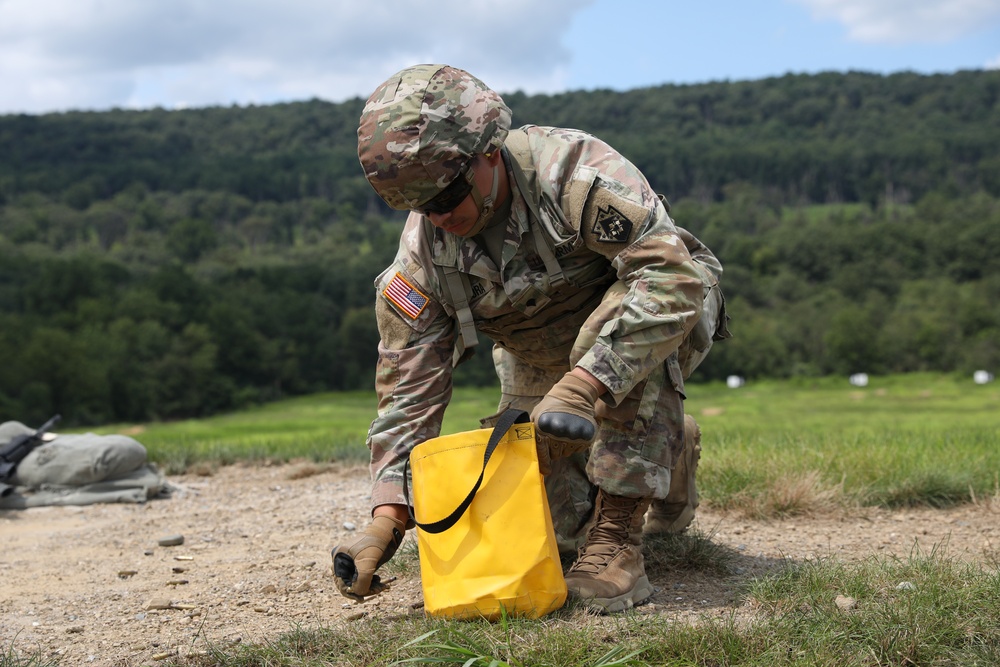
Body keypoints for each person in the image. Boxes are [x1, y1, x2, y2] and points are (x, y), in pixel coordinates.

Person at [332, 64, 730, 614]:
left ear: (488, 151)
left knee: (618, 340)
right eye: (420, 207)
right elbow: (406, 396)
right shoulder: (421, 265)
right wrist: (386, 519)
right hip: (539, 353)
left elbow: (670, 279)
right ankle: (670, 449)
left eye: (448, 194)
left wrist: (588, 383)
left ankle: (618, 540)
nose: (439, 216)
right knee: (553, 530)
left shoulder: (571, 173)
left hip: (659, 313)